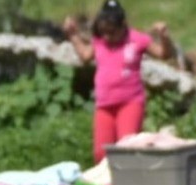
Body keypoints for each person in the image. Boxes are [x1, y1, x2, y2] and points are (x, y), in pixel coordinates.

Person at [64, 0, 175, 162]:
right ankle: (107, 184)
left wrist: (164, 37)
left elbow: (163, 54)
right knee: (101, 153)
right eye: (104, 32)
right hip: (104, 104)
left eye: (112, 32)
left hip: (130, 102)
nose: (108, 36)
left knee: (127, 148)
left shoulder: (137, 39)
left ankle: (129, 182)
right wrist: (72, 35)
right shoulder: (99, 40)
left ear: (123, 25)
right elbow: (85, 56)